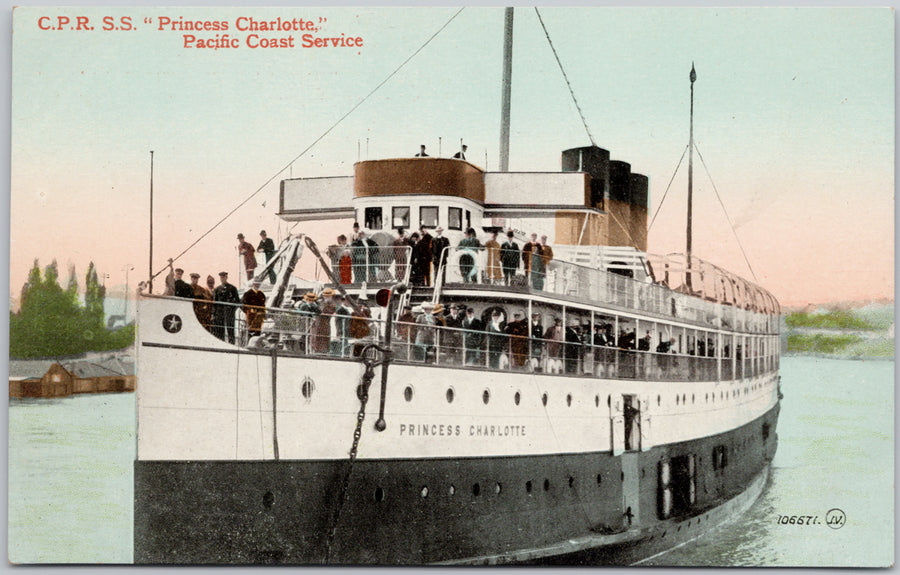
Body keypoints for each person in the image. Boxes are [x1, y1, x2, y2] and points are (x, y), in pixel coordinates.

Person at [213, 271, 240, 344]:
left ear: (226, 277)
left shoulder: (232, 288)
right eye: (221, 278)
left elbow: (237, 301)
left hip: (229, 312)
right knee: (220, 330)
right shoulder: (217, 289)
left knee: (230, 329)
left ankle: (232, 345)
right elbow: (215, 303)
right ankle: (221, 344)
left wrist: (232, 308)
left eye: (224, 277)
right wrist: (214, 314)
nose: (222, 279)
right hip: (220, 313)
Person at [311, 288, 336, 354]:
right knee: (316, 338)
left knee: (324, 339)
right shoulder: (320, 303)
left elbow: (328, 311)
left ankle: (323, 352)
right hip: (318, 324)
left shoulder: (331, 305)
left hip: (325, 325)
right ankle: (315, 351)